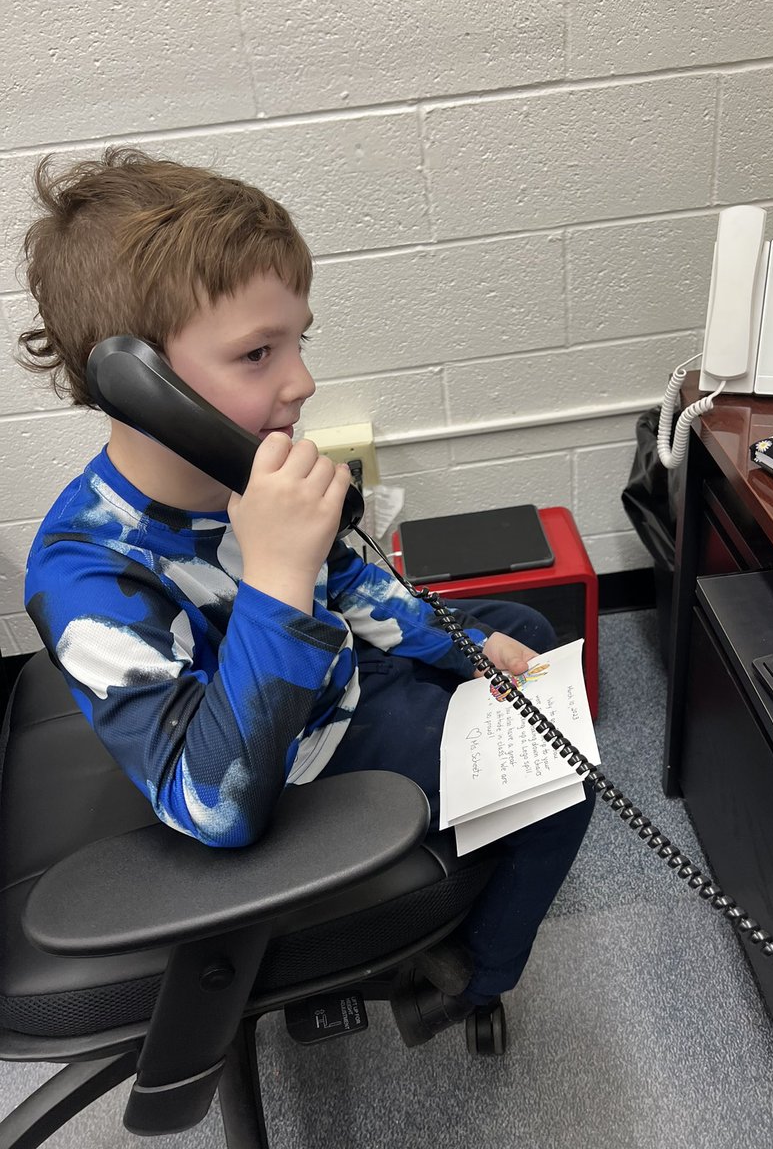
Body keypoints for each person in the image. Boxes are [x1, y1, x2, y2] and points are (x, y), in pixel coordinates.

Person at [19, 148, 595, 1045]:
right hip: (286, 762)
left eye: (299, 342)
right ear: (137, 387)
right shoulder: (85, 573)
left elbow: (350, 579)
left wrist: (462, 647)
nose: (302, 382)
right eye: (258, 353)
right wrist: (277, 574)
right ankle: (465, 978)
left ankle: (475, 806)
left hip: (332, 676)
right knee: (562, 778)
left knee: (522, 634)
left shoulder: (241, 468)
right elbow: (213, 804)